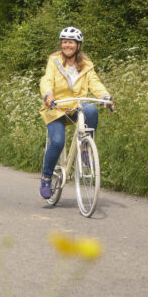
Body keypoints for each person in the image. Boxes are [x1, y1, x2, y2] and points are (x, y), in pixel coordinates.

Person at [39, 27, 114, 199]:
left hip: (76, 107)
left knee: (91, 109)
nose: (67, 45)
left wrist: (105, 97)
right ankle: (46, 177)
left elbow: (94, 83)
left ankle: (85, 149)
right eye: (64, 42)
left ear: (78, 45)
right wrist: (48, 95)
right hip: (56, 108)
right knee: (57, 142)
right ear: (61, 44)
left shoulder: (86, 64)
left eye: (71, 42)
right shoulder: (54, 60)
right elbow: (47, 79)